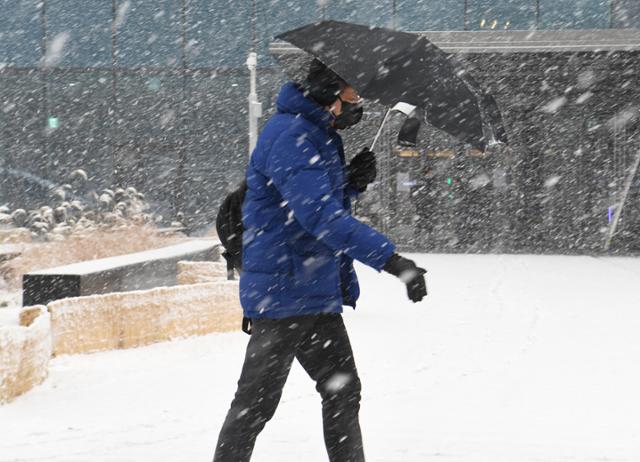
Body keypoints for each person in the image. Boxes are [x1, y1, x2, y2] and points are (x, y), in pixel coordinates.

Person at [213, 59, 427, 462]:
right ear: (331, 92)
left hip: (312, 293)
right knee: (255, 404)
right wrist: (393, 261)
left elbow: (310, 205)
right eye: (352, 91)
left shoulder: (318, 134)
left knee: (342, 390)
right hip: (283, 294)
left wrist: (351, 182)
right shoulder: (292, 135)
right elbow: (319, 219)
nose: (357, 100)